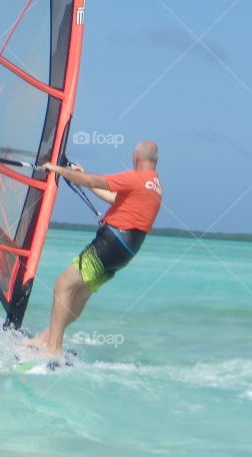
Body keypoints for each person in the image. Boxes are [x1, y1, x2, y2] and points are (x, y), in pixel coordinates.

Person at [24, 140, 162, 358]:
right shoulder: (154, 185)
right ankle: (45, 340)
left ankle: (53, 349)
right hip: (124, 253)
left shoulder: (136, 178)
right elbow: (113, 196)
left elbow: (95, 180)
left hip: (110, 244)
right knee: (78, 295)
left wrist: (58, 170)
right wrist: (82, 177)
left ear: (136, 157)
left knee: (62, 286)